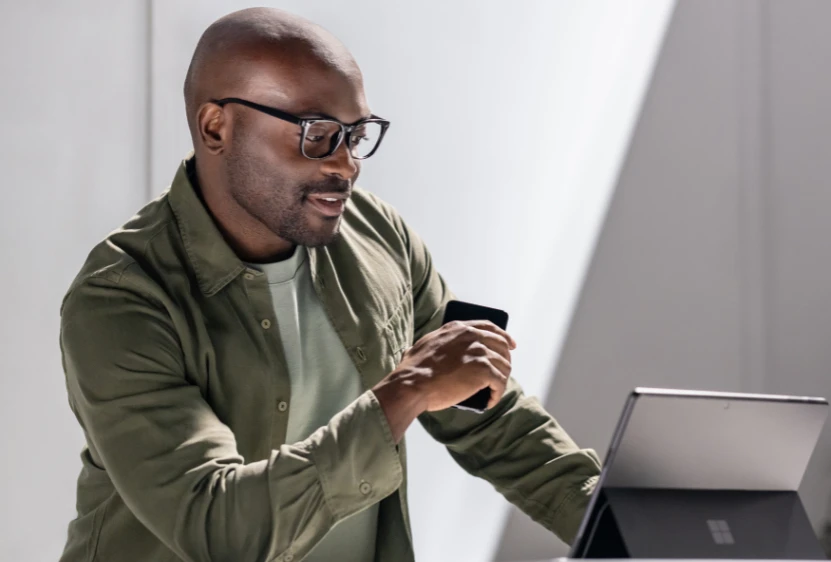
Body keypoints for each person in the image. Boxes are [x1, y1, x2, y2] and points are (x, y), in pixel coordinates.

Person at [57, 7, 601, 562]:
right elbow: (215, 527)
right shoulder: (122, 297)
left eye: (357, 134)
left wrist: (627, 524)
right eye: (317, 134)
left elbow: (488, 418)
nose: (346, 164)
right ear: (216, 127)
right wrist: (406, 390)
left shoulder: (378, 234)